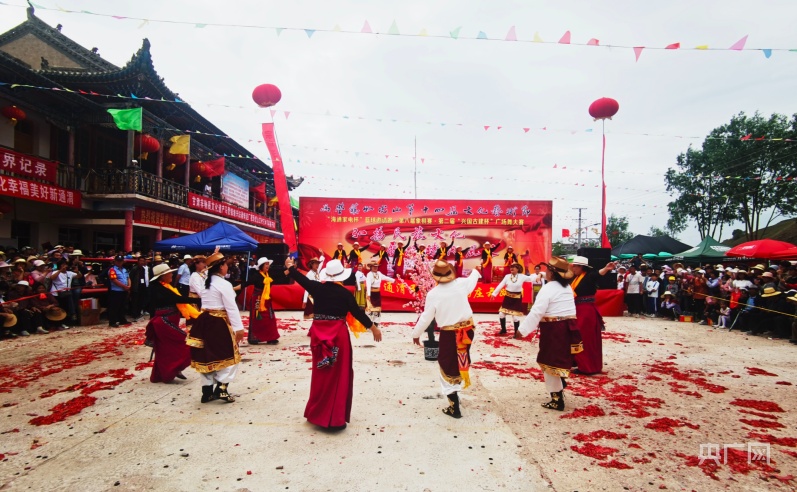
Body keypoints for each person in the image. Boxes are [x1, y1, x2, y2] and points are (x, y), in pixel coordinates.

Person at [284, 257, 379, 430]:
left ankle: (317, 413)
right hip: (337, 336)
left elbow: (300, 278)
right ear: (341, 276)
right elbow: (357, 313)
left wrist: (290, 267)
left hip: (319, 336)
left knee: (321, 373)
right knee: (339, 374)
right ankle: (335, 418)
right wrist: (373, 328)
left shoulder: (317, 288)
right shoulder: (345, 294)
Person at [412, 260, 481, 419]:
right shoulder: (461, 284)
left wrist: (416, 334)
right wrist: (476, 271)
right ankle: (456, 390)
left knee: (447, 364)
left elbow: (426, 317)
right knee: (460, 359)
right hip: (467, 330)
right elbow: (473, 279)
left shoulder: (434, 294)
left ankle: (454, 406)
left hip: (450, 334)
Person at [515, 256, 581, 411]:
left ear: (552, 272)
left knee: (550, 362)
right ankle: (560, 384)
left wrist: (522, 330)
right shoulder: (566, 287)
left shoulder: (548, 288)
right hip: (569, 327)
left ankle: (557, 399)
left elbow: (537, 312)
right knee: (560, 359)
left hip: (555, 329)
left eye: (547, 270)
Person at [187, 252, 245, 403]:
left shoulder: (206, 281)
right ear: (221, 267)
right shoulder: (224, 284)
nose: (227, 268)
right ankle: (221, 389)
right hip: (218, 323)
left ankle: (207, 392)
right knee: (230, 355)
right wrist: (239, 328)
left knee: (207, 356)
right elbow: (231, 307)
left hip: (203, 321)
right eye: (226, 265)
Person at [145, 264, 201, 383]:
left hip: (168, 321)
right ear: (162, 276)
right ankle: (174, 369)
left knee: (166, 349)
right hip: (163, 322)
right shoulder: (159, 289)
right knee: (185, 342)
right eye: (169, 273)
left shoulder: (166, 287)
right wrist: (199, 300)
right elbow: (177, 299)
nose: (172, 274)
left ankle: (168, 371)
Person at [569, 256, 614, 375]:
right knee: (576, 336)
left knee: (585, 337)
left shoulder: (588, 276)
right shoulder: (576, 278)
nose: (573, 268)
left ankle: (587, 366)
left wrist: (606, 269)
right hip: (578, 309)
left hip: (586, 311)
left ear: (581, 267)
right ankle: (577, 361)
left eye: (575, 266)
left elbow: (597, 274)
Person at [490, 263, 533, 335]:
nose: (511, 269)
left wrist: (540, 275)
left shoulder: (522, 276)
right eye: (511, 267)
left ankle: (516, 333)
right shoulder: (507, 276)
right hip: (508, 298)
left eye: (513, 267)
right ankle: (503, 330)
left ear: (518, 269)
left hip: (516, 299)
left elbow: (531, 278)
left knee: (515, 317)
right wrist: (494, 294)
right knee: (501, 314)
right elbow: (501, 284)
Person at [247, 257, 279, 345]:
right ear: (261, 266)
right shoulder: (256, 276)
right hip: (257, 299)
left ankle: (271, 337)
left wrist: (289, 269)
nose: (267, 266)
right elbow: (246, 283)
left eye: (268, 264)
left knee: (270, 317)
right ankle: (255, 338)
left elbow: (280, 276)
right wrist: (234, 288)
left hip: (266, 299)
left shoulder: (269, 275)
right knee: (258, 318)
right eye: (266, 264)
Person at [366, 259, 397, 330]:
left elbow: (385, 277)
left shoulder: (379, 274)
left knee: (377, 309)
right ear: (371, 267)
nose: (375, 268)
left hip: (377, 293)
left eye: (376, 266)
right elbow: (368, 284)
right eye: (374, 266)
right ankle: (368, 324)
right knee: (370, 309)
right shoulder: (369, 274)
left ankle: (376, 323)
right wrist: (368, 294)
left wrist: (393, 280)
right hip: (371, 293)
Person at [107, 255, 131, 328]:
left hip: (124, 290)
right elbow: (114, 280)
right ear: (115, 261)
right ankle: (112, 322)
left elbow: (128, 278)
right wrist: (124, 286)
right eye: (118, 261)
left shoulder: (125, 269)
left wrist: (129, 286)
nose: (119, 262)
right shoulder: (112, 270)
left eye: (121, 261)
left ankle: (122, 319)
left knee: (122, 306)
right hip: (116, 290)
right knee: (114, 306)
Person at [129, 256, 151, 320]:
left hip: (142, 287)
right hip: (135, 287)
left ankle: (138, 313)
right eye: (140, 260)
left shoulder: (144, 269)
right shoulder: (134, 269)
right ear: (138, 261)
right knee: (135, 302)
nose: (142, 262)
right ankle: (134, 315)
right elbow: (130, 278)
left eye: (143, 261)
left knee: (141, 301)